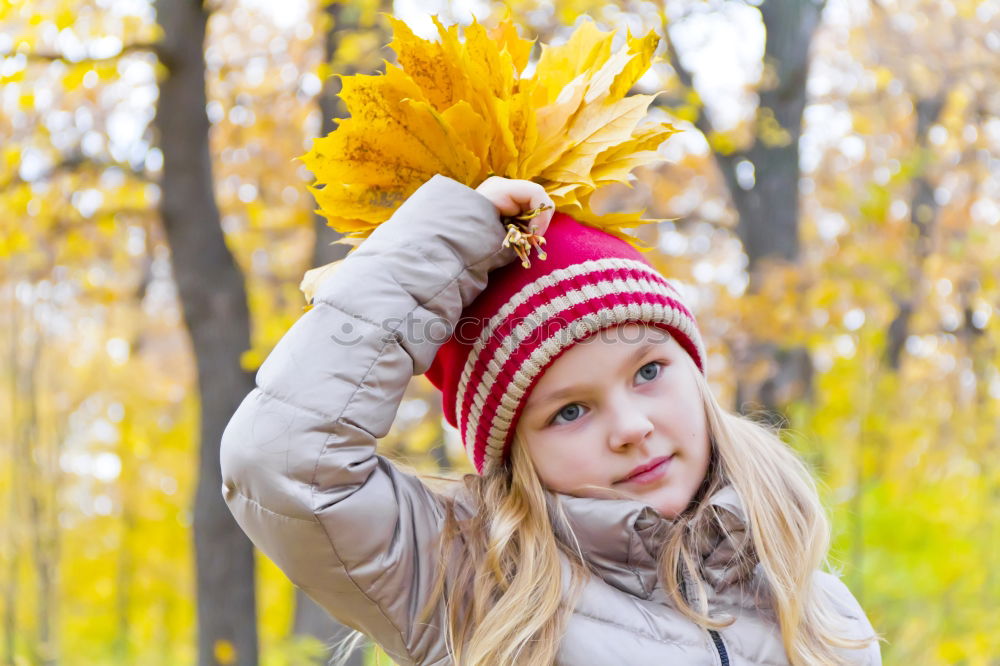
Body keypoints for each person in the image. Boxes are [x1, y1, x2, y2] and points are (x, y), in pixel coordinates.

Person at [220, 174, 881, 665]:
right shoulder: (470, 585)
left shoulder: (817, 607)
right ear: (514, 451)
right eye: (569, 411)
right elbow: (281, 464)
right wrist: (452, 236)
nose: (630, 427)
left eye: (649, 372)